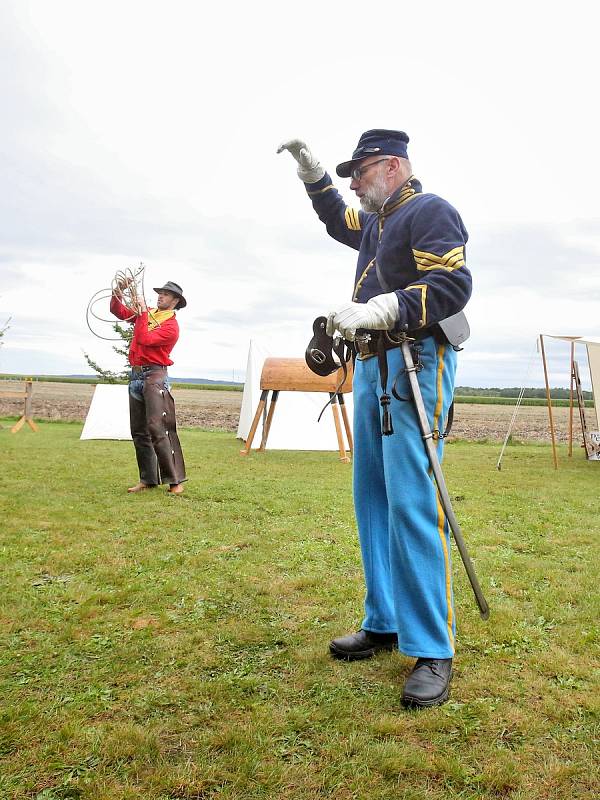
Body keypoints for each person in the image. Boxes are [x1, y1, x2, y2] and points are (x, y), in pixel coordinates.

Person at [278, 130, 472, 708]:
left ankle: (432, 647)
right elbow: (340, 221)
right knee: (372, 497)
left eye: (358, 173)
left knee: (411, 499)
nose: (353, 185)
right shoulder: (378, 220)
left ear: (391, 166)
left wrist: (386, 306)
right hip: (370, 362)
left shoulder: (428, 210)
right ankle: (384, 619)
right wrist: (312, 176)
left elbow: (451, 285)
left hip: (416, 358)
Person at [110, 280, 187, 495]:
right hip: (136, 375)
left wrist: (142, 311)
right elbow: (119, 311)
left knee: (158, 428)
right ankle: (148, 479)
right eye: (160, 292)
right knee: (139, 431)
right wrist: (119, 291)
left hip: (155, 376)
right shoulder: (149, 315)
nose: (160, 296)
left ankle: (175, 481)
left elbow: (144, 338)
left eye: (166, 294)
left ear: (176, 301)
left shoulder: (171, 326)